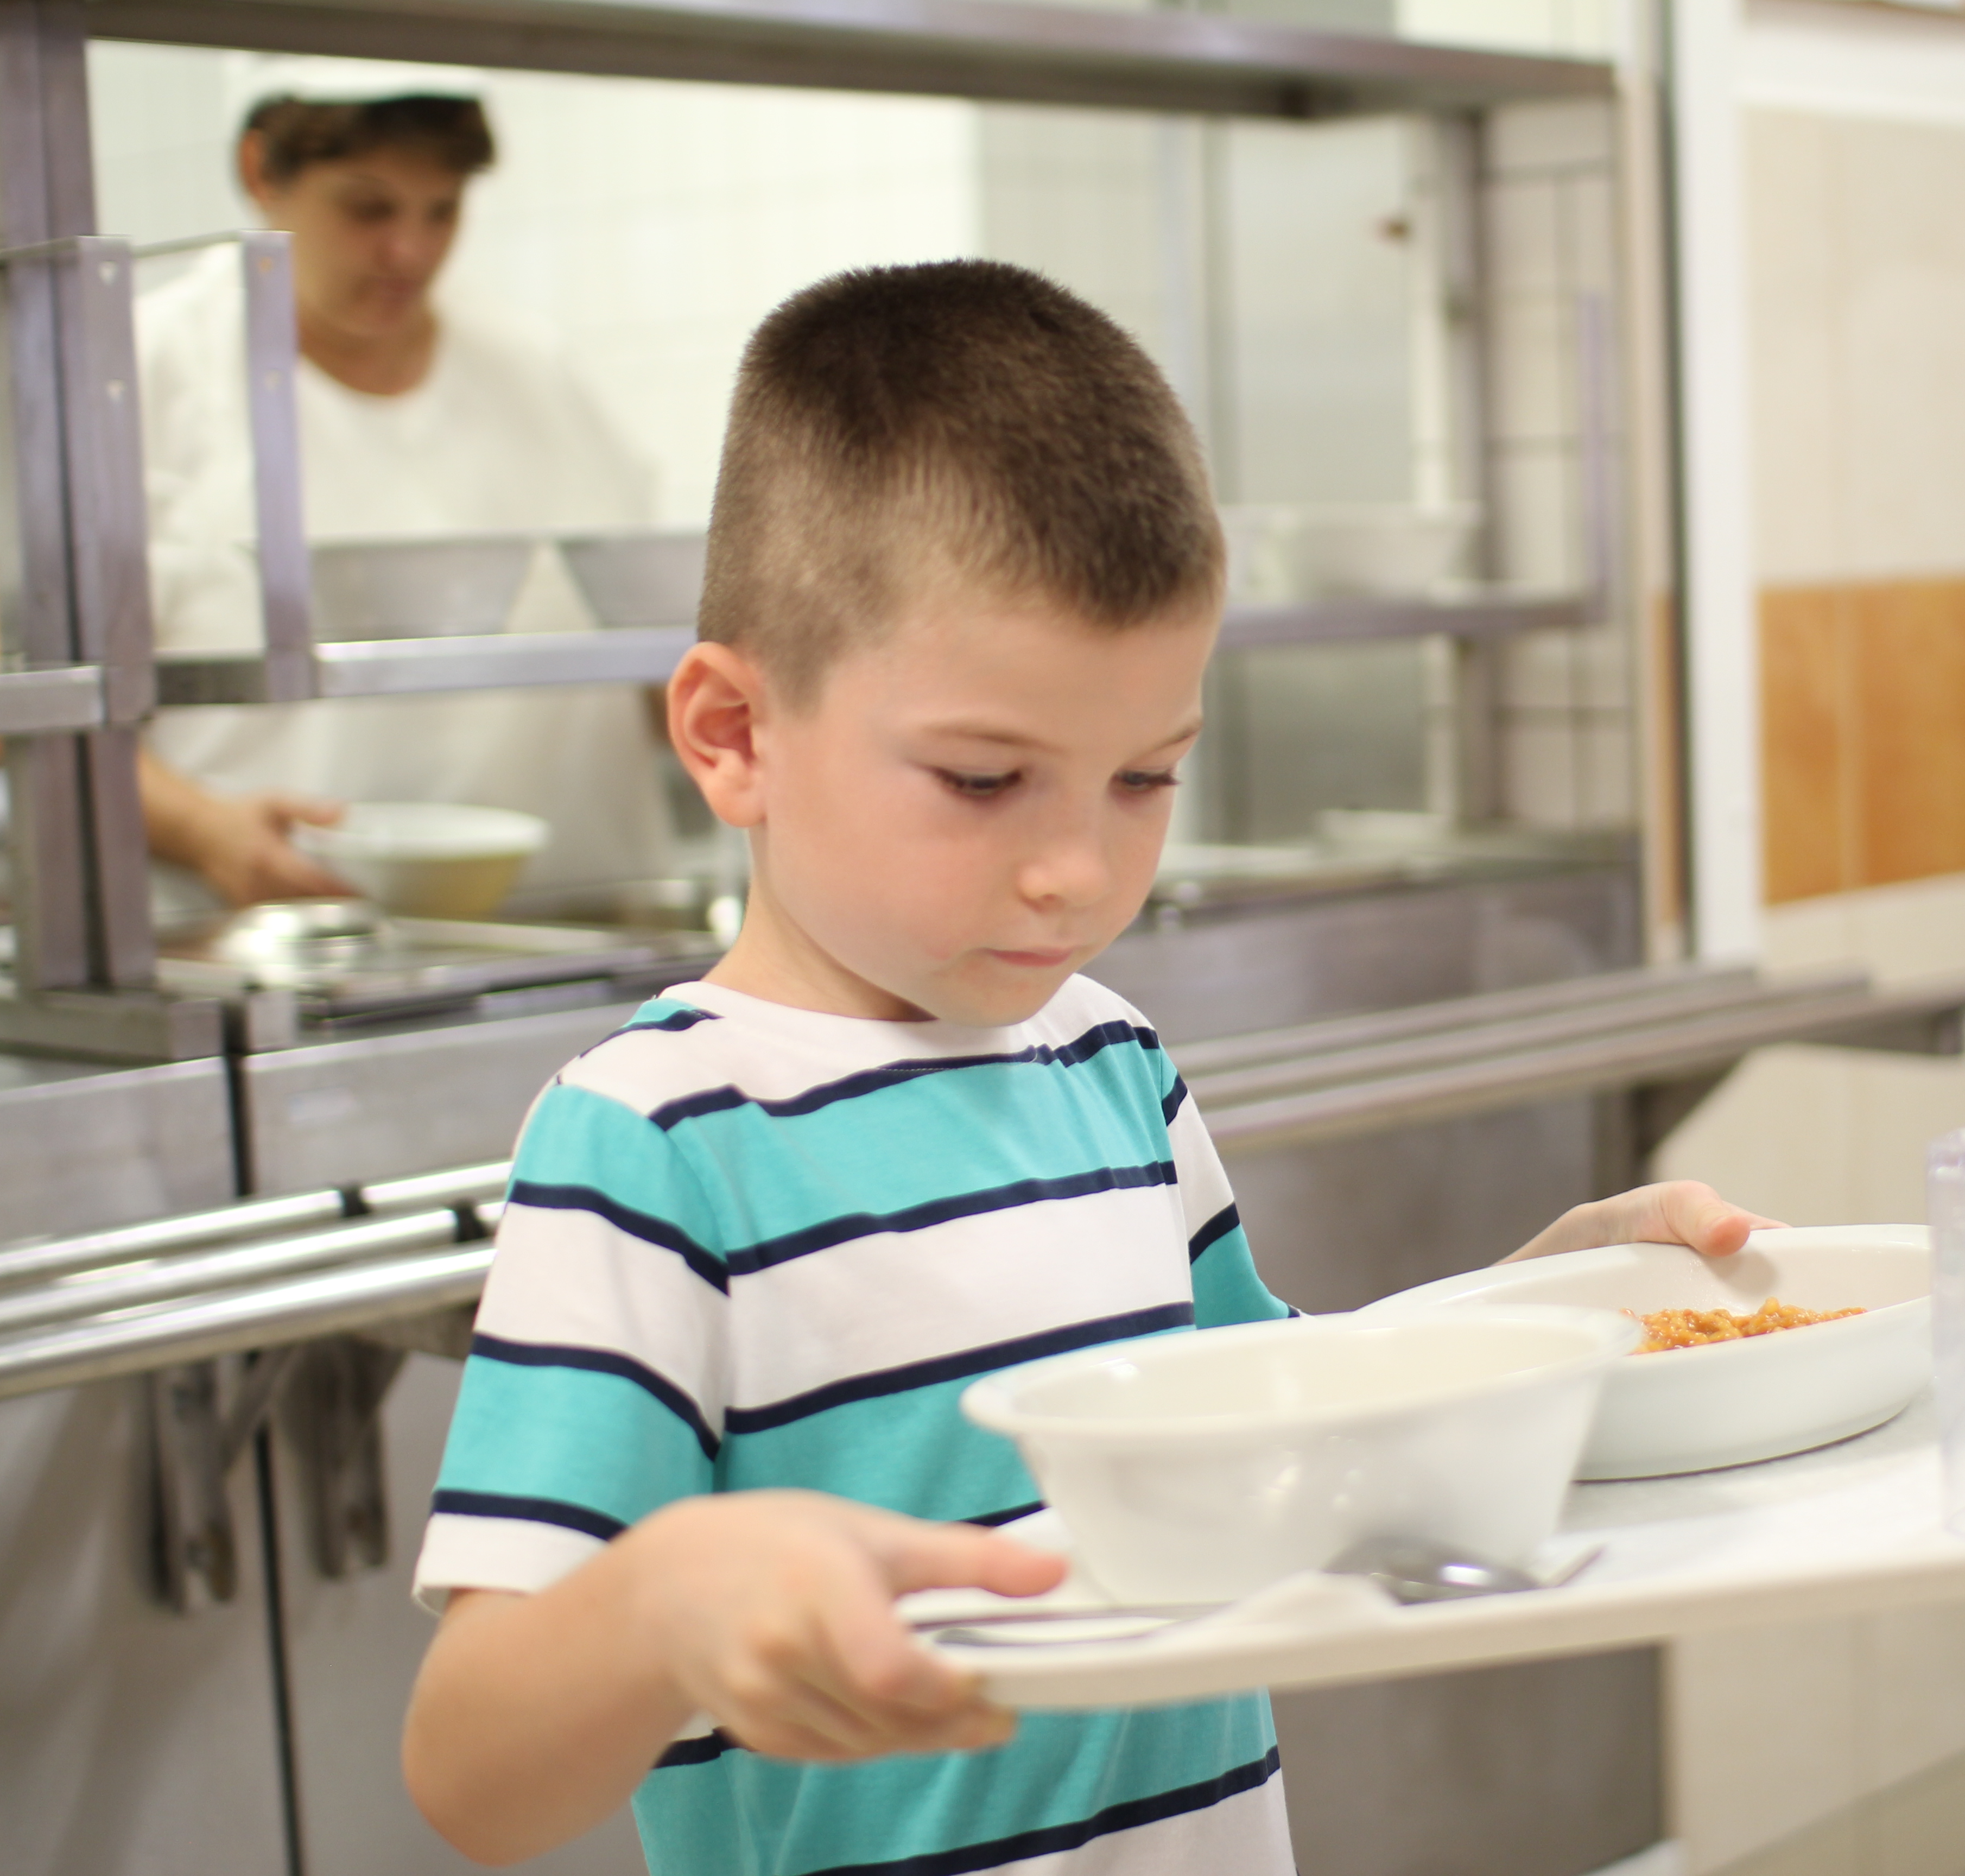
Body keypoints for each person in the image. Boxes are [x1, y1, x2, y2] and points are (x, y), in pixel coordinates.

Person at [397, 260, 1777, 1872]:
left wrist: (1550, 1307)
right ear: (734, 734)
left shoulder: (1110, 1064)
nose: (1077, 873)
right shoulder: (658, 1142)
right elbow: (470, 1775)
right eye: (985, 781)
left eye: (1145, 778)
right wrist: (657, 1601)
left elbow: (1296, 1428)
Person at [0, 63, 674, 909]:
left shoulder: (534, 372)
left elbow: (651, 652)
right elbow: (20, 707)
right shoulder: (133, 375)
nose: (410, 252)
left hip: (578, 925)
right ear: (261, 172)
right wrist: (203, 829)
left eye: (442, 211)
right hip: (267, 945)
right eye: (368, 209)